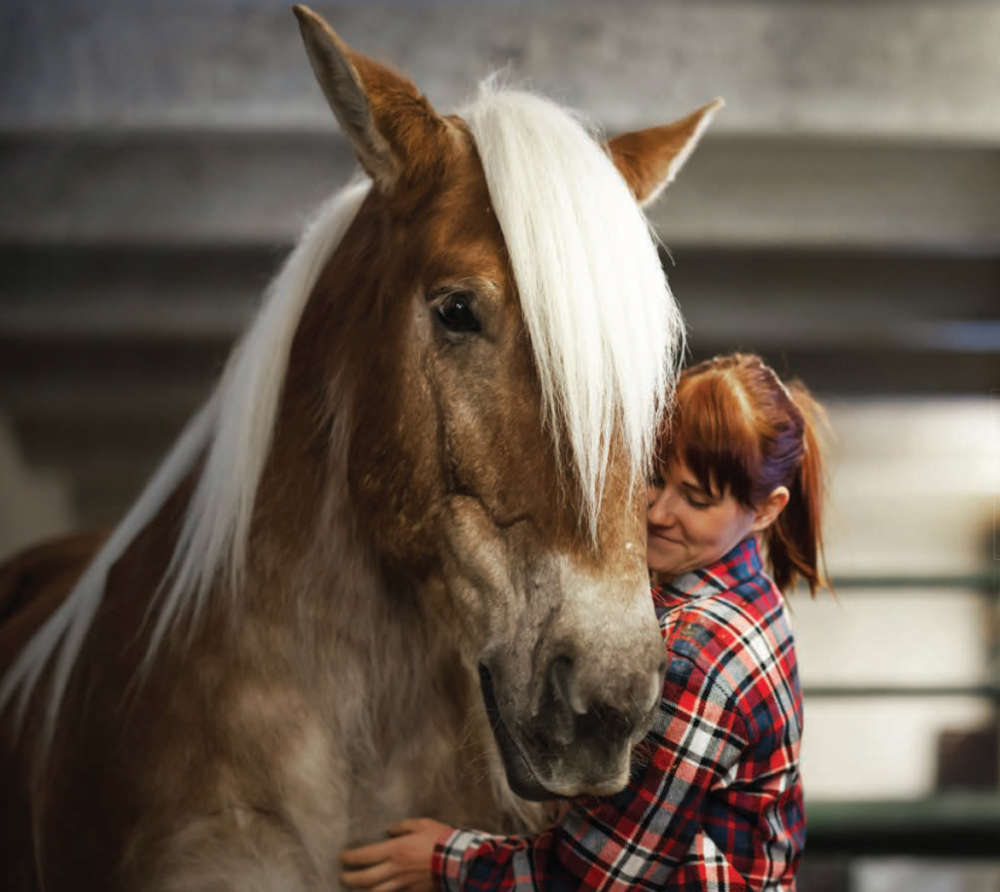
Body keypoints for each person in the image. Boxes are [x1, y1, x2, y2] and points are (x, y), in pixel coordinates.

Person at [341, 352, 829, 890]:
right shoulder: (743, 591)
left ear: (766, 510)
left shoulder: (701, 652)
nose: (659, 512)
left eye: (696, 499)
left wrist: (444, 860)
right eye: (653, 476)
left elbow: (599, 877)